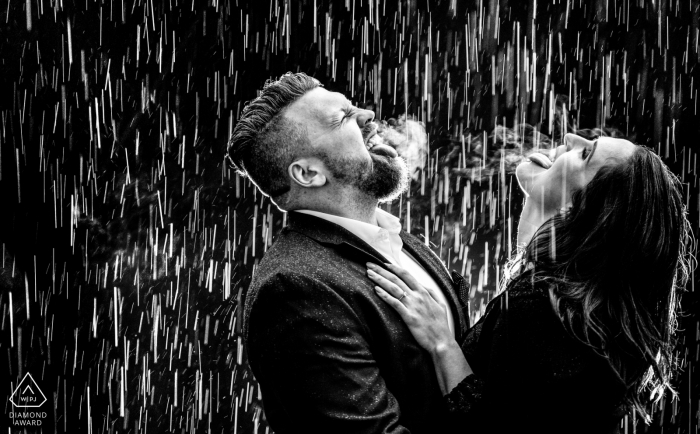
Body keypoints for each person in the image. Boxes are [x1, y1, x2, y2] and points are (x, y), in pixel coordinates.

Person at [369, 133, 693, 433]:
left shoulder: (542, 308)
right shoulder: (564, 306)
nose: (570, 137)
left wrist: (443, 343)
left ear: (573, 210)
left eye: (584, 153)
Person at [226, 72, 470, 433]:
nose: (368, 116)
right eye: (344, 118)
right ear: (308, 173)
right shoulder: (295, 289)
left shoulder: (397, 240)